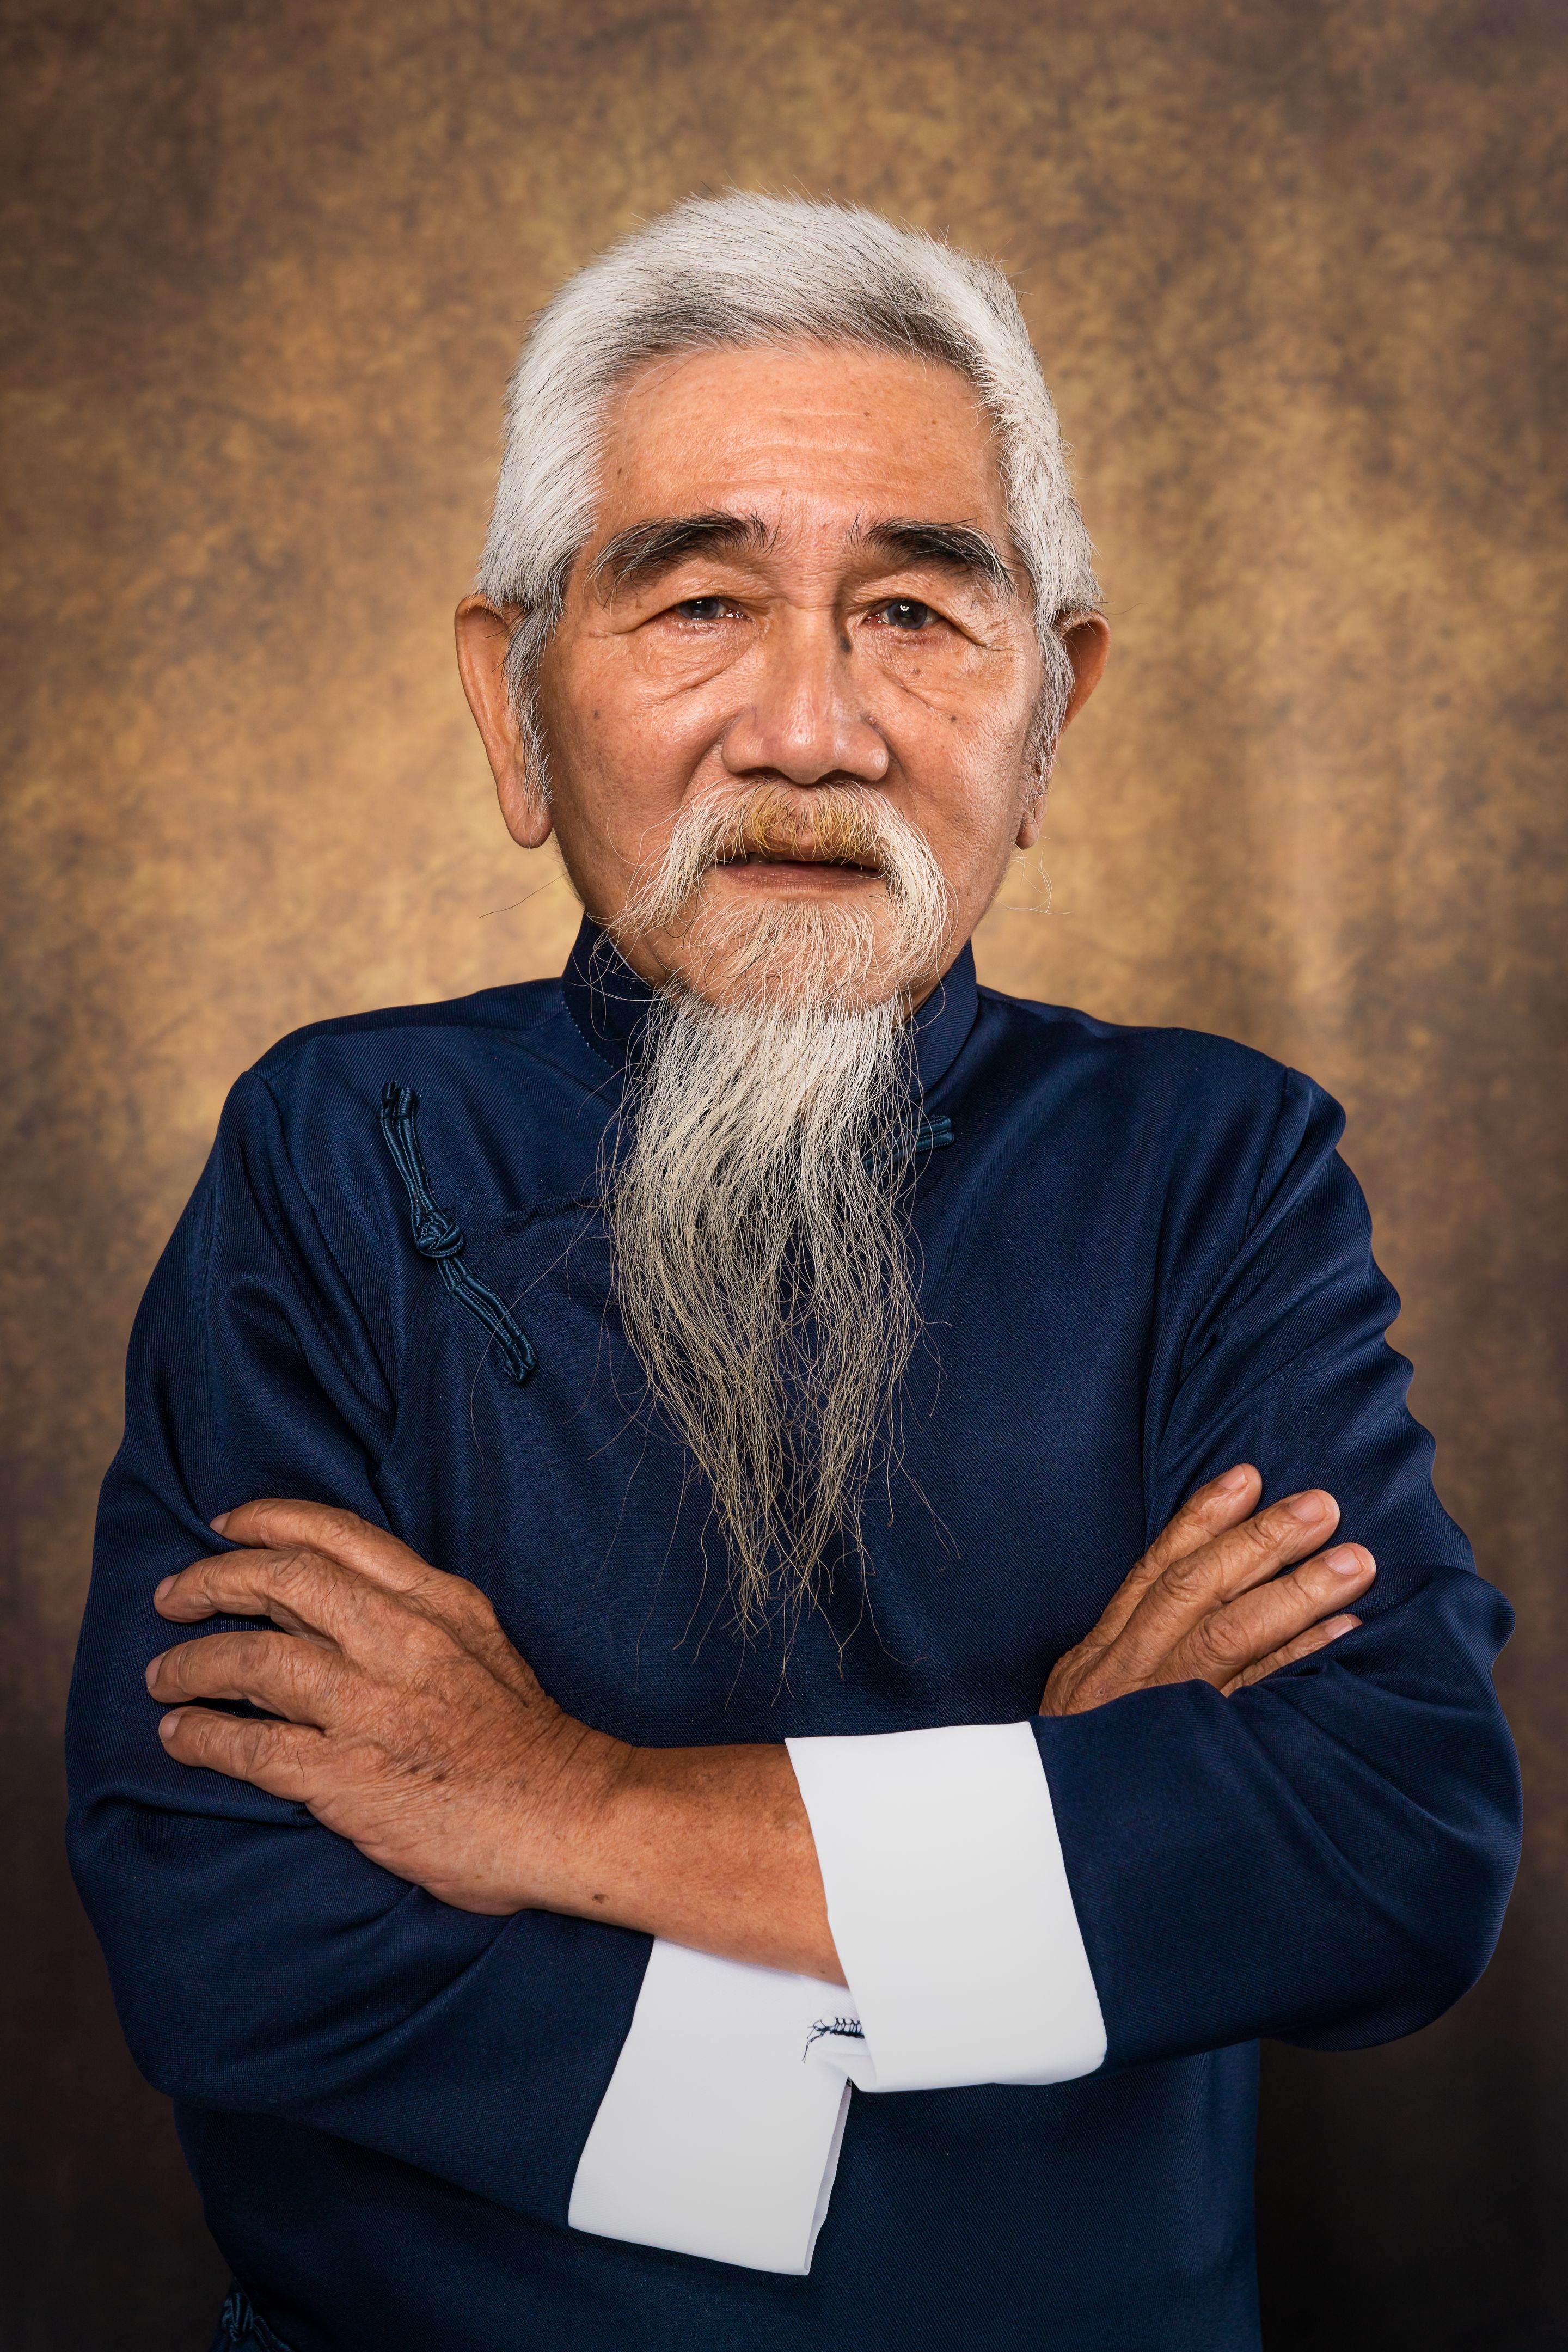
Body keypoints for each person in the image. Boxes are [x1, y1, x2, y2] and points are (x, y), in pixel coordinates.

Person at [66, 194, 1520, 2352]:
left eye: (920, 612)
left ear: (1054, 709)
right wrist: (1048, 1864)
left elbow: (1390, 1842)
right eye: (699, 605)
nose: (812, 731)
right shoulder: (341, 1156)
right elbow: (231, 1924)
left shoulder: (1218, 1168)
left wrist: (555, 1807)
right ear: (514, 698)